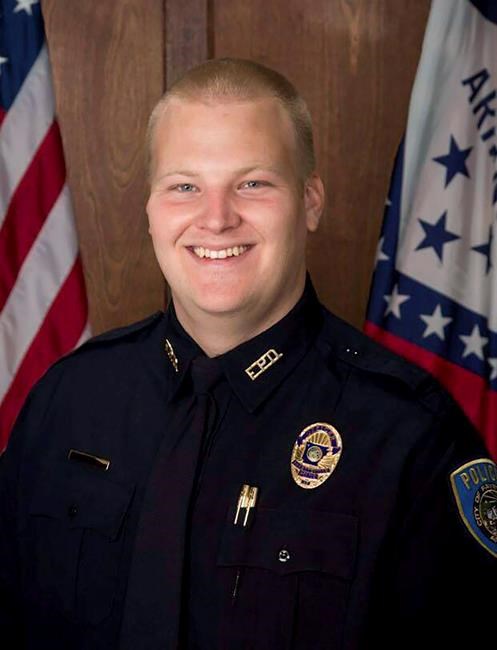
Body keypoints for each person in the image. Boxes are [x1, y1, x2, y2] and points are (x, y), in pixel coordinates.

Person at [0, 58, 496, 650]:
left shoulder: (411, 435)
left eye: (253, 183)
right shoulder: (67, 400)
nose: (216, 219)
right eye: (185, 186)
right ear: (150, 210)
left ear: (310, 201)